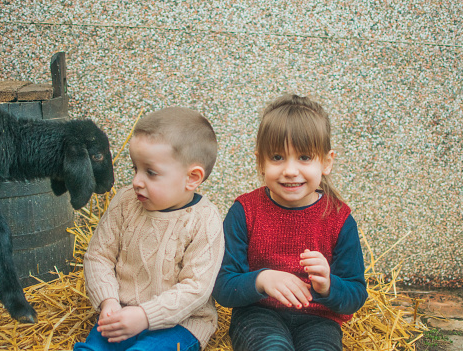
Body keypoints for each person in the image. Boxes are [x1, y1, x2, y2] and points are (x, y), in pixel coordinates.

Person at [212, 94, 368, 351]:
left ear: (326, 162)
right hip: (257, 316)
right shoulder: (245, 211)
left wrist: (328, 285)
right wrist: (262, 280)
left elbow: (355, 294)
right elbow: (222, 285)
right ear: (260, 161)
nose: (290, 170)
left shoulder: (339, 218)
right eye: (277, 157)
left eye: (304, 157)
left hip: (319, 319)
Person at [74, 107, 224, 351]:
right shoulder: (125, 202)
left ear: (192, 178)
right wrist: (108, 302)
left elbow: (196, 288)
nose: (136, 181)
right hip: (121, 315)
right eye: (135, 168)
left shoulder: (204, 220)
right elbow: (98, 255)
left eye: (150, 172)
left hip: (181, 325)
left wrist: (144, 316)